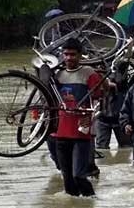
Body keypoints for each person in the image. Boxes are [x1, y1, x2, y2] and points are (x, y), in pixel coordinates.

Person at [52, 38, 104, 197]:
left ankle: (92, 200)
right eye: (66, 54)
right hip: (61, 134)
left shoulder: (89, 73)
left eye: (73, 55)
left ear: (80, 55)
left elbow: (99, 98)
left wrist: (91, 118)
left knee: (79, 176)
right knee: (67, 179)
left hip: (81, 134)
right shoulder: (58, 75)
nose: (69, 58)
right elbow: (47, 97)